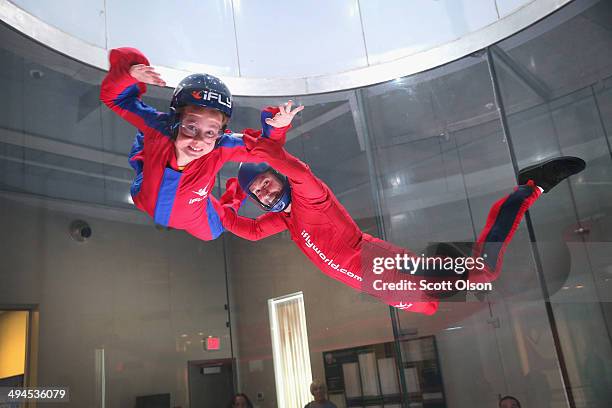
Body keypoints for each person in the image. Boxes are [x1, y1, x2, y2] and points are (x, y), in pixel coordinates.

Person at [218, 106, 586, 315]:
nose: (265, 191)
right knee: (432, 307)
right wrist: (228, 197)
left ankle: (529, 188)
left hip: (386, 267)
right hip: (382, 283)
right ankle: (527, 189)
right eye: (257, 191)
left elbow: (296, 169)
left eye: (266, 180)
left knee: (483, 271)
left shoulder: (308, 195)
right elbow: (246, 230)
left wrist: (268, 140)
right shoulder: (284, 218)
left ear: (277, 176)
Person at [100, 47, 302, 240]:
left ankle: (236, 191)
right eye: (191, 127)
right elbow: (116, 99)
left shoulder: (220, 146)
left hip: (195, 219)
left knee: (220, 225)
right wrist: (130, 74)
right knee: (145, 143)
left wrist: (277, 127)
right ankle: (146, 147)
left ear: (220, 133)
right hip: (145, 196)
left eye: (210, 132)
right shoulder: (160, 128)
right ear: (176, 120)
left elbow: (265, 150)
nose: (198, 141)